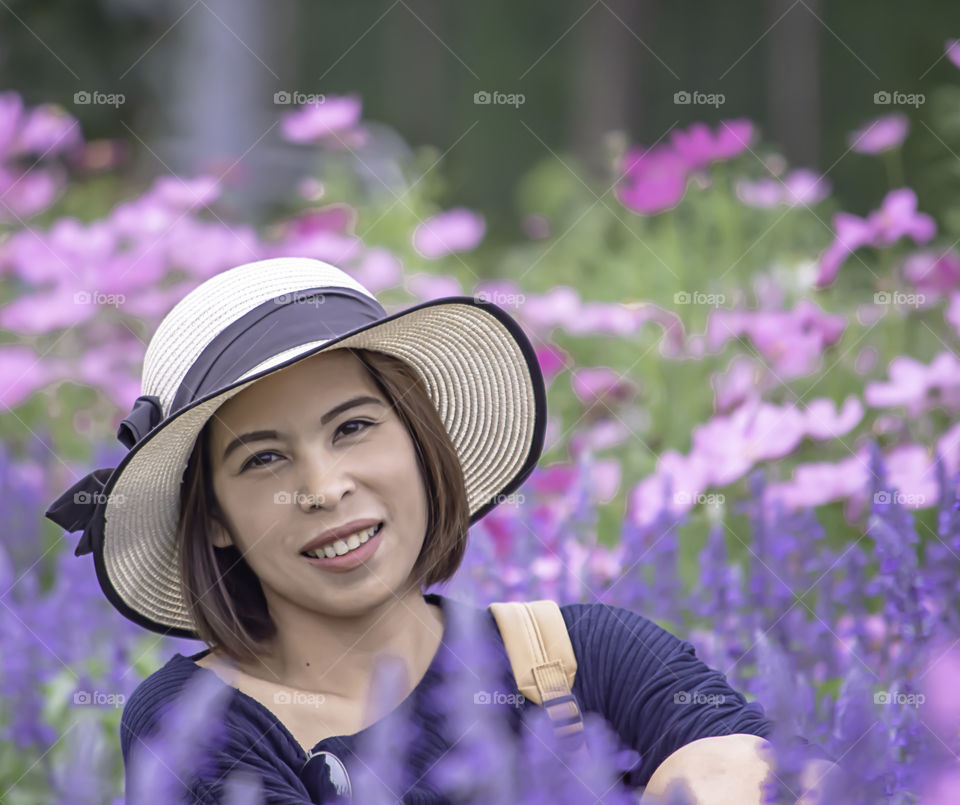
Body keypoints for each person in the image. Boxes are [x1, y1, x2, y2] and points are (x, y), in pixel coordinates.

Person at [45, 257, 836, 804]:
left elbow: (768, 774)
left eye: (353, 427)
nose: (324, 488)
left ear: (421, 444)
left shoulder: (580, 657)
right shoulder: (198, 721)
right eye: (263, 460)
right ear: (213, 517)